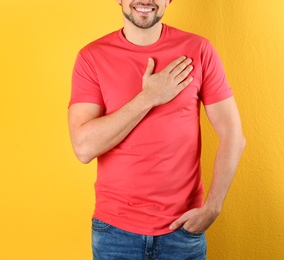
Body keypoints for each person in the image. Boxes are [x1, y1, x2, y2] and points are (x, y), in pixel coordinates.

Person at [68, 0, 245, 259]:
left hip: (183, 231)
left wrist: (212, 208)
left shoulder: (198, 49)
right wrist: (149, 97)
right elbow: (83, 148)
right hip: (114, 234)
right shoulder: (91, 57)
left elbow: (233, 135)